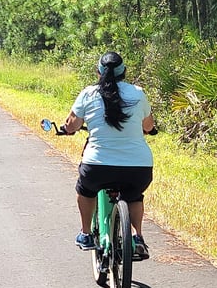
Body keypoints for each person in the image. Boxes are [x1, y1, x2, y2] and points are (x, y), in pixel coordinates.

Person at [61, 51, 155, 259]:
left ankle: (86, 234)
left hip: (98, 166)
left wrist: (66, 129)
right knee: (133, 195)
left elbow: (72, 125)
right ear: (125, 73)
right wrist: (148, 129)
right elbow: (148, 125)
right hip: (138, 168)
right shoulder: (138, 94)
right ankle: (137, 236)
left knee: (85, 189)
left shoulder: (88, 94)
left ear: (98, 72)